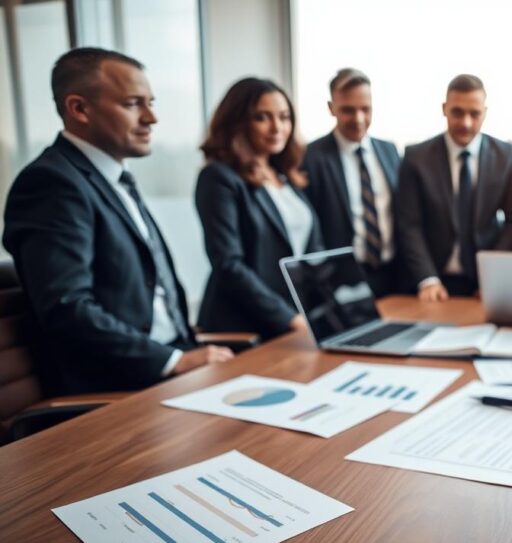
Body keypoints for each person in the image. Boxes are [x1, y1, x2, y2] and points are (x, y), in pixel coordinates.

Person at [2, 48, 233, 393]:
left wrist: (187, 352)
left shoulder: (114, 177)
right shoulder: (52, 184)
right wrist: (173, 362)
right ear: (79, 108)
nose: (151, 118)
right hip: (120, 388)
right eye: (132, 104)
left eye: (151, 102)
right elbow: (68, 307)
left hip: (173, 364)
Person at [195, 77, 323, 339]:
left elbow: (312, 252)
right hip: (245, 325)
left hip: (296, 317)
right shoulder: (219, 178)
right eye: (262, 117)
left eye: (284, 117)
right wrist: (289, 318)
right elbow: (228, 264)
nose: (277, 127)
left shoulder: (288, 177)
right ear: (238, 122)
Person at [395, 74, 512, 301]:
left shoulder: (507, 156)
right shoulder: (416, 157)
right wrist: (428, 279)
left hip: (482, 282)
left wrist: (492, 276)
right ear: (444, 109)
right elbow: (409, 225)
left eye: (474, 114)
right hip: (430, 281)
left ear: (485, 112)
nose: (466, 122)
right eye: (457, 112)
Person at [303, 68, 402, 297]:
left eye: (365, 109)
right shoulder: (312, 157)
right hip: (343, 282)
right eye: (348, 110)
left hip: (394, 276)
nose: (358, 119)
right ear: (331, 108)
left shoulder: (389, 151)